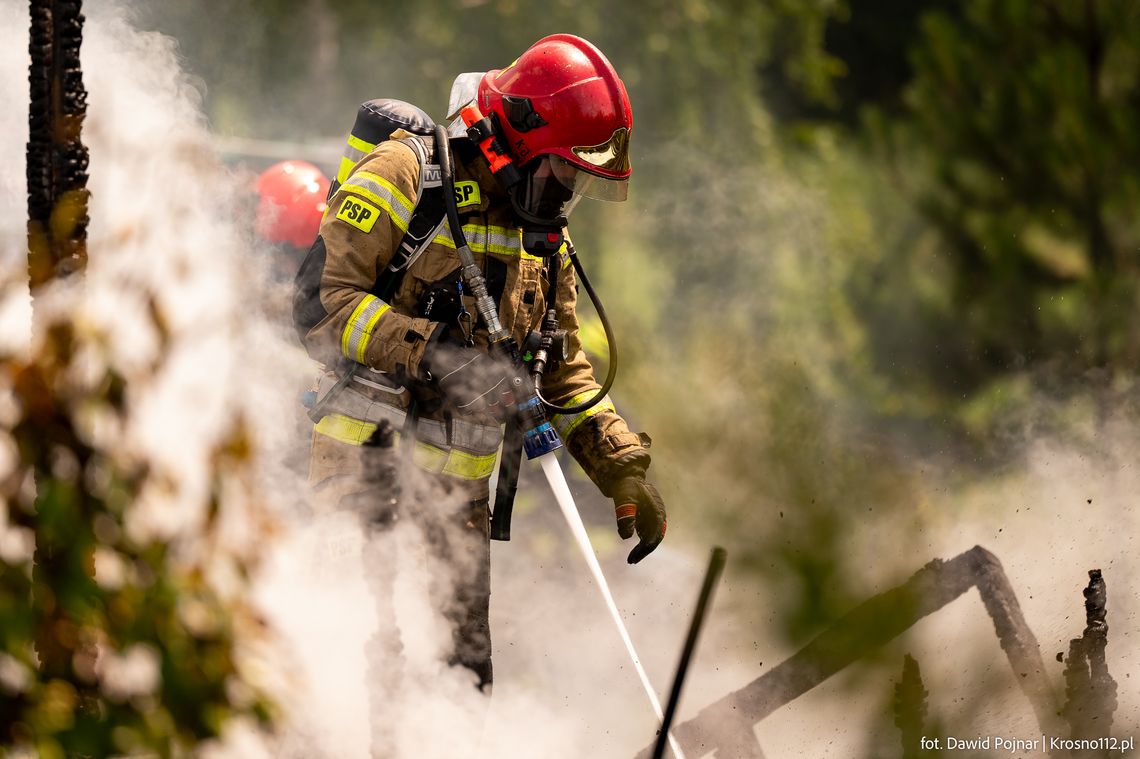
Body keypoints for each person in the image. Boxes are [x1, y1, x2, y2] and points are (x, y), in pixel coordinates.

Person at [293, 34, 667, 696]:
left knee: (462, 690)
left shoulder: (543, 240)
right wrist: (434, 352)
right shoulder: (405, 176)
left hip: (456, 515)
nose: (566, 197)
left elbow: (562, 374)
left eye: (579, 184)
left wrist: (623, 468)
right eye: (564, 174)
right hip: (363, 478)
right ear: (520, 141)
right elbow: (320, 304)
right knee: (356, 679)